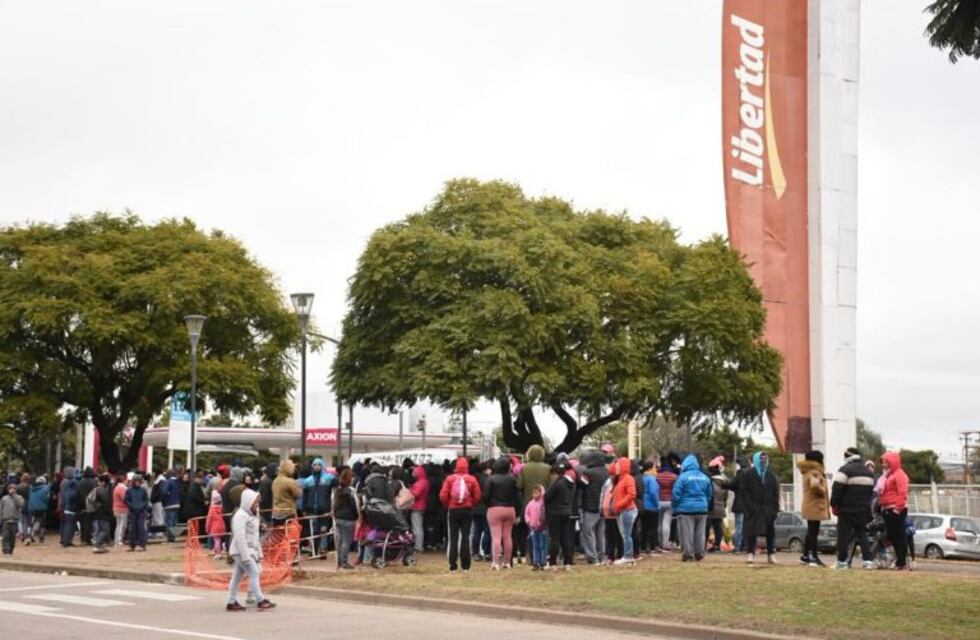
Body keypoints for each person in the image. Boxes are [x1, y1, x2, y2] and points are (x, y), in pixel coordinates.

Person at [226, 489, 275, 611]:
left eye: (257, 503)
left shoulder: (252, 515)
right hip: (241, 551)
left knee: (237, 576)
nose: (257, 505)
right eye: (255, 503)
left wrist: (259, 553)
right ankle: (260, 600)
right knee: (254, 572)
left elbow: (255, 536)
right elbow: (239, 537)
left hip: (248, 551)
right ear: (248, 502)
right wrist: (245, 556)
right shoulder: (240, 516)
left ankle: (231, 601)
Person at [830, 447, 875, 570]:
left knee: (843, 536)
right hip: (863, 510)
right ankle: (868, 561)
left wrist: (833, 504)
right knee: (862, 534)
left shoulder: (844, 470)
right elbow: (870, 493)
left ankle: (841, 562)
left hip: (847, 509)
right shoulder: (869, 472)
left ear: (847, 457)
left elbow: (837, 489)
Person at [734, 451, 780, 564]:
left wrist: (774, 509)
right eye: (761, 458)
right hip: (753, 508)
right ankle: (750, 553)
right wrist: (749, 506)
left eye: (765, 458)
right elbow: (744, 492)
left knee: (770, 532)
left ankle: (771, 554)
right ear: (756, 460)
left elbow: (775, 493)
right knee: (751, 532)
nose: (763, 460)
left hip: (768, 509)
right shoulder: (748, 474)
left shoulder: (771, 475)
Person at [439, 457, 482, 572]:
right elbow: (477, 496)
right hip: (467, 509)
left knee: (453, 537)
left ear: (456, 467)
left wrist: (448, 504)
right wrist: (471, 503)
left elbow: (443, 495)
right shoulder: (472, 479)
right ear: (467, 467)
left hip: (453, 510)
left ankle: (453, 565)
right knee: (465, 537)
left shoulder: (450, 479)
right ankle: (466, 566)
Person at [670, 454, 713, 562]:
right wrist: (704, 503)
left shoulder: (682, 477)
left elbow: (676, 494)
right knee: (700, 533)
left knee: (686, 534)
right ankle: (699, 554)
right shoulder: (705, 477)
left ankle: (687, 555)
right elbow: (709, 494)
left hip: (685, 510)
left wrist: (675, 506)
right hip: (702, 509)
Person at [485, 456, 523, 570]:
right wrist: (518, 512)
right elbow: (517, 497)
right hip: (509, 509)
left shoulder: (491, 479)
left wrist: (489, 505)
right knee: (508, 537)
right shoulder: (512, 479)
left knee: (496, 537)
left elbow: (486, 495)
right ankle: (507, 562)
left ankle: (495, 562)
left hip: (494, 509)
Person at [516, 445, 551, 564]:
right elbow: (550, 485)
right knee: (544, 531)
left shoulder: (524, 468)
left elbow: (519, 486)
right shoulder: (548, 468)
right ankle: (544, 557)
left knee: (532, 531)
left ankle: (533, 558)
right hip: (544, 504)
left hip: (529, 503)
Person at [878, 451, 910, 571]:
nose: (883, 464)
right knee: (892, 535)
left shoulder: (900, 474)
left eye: (885, 461)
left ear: (892, 462)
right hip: (887, 508)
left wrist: (897, 509)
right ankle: (899, 561)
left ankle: (901, 562)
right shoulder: (888, 475)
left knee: (899, 535)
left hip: (896, 509)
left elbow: (902, 493)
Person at [799, 450, 829, 567]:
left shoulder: (807, 471)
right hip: (814, 505)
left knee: (811, 531)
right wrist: (824, 490)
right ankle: (813, 556)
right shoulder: (815, 471)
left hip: (809, 504)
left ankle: (805, 556)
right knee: (813, 532)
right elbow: (815, 485)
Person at [544, 461, 576, 570]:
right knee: (566, 537)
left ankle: (552, 562)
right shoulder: (570, 483)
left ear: (555, 473)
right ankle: (568, 562)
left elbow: (547, 497)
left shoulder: (557, 483)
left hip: (554, 513)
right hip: (567, 512)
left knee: (555, 538)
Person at [301, 458, 335, 558]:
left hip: (324, 509)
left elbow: (337, 483)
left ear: (322, 466)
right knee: (313, 530)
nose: (317, 466)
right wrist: (304, 509)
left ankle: (323, 550)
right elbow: (305, 496)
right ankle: (314, 550)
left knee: (323, 530)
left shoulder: (328, 478)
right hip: (311, 509)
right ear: (312, 466)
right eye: (315, 465)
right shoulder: (308, 481)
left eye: (319, 465)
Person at [578, 451, 608, 564]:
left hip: (591, 507)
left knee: (588, 531)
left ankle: (592, 556)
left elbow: (582, 484)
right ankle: (601, 555)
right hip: (603, 507)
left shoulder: (588, 472)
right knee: (601, 532)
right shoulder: (606, 472)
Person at [332, 469, 359, 570]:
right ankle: (344, 562)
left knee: (340, 540)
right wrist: (356, 515)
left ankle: (339, 561)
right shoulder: (350, 491)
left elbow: (334, 504)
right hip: (348, 519)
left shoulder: (338, 490)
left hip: (338, 517)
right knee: (346, 541)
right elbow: (353, 505)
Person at [471, 460, 492, 562]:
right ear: (485, 470)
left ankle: (475, 552)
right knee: (487, 531)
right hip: (485, 508)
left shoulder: (473, 479)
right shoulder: (487, 480)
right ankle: (486, 552)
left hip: (475, 508)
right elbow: (487, 495)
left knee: (477, 531)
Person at [707, 457, 729, 552]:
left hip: (710, 507)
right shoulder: (725, 481)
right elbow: (726, 497)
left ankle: (703, 544)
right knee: (718, 528)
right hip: (720, 507)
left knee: (706, 527)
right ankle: (717, 545)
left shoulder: (709, 481)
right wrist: (724, 505)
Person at [524, 484, 548, 570]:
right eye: (533, 493)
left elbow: (544, 515)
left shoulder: (543, 504)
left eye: (536, 493)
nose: (534, 495)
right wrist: (528, 521)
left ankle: (543, 562)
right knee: (535, 545)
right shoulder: (530, 503)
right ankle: (535, 562)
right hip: (533, 527)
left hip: (542, 527)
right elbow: (526, 513)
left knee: (543, 545)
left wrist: (542, 523)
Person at [656, 457, 678, 551]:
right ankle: (665, 543)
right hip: (670, 502)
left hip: (659, 501)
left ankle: (659, 542)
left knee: (659, 522)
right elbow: (676, 490)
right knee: (667, 523)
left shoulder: (657, 476)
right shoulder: (674, 476)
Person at [271, 460, 301, 525]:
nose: (294, 470)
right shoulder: (290, 481)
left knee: (278, 534)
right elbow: (298, 494)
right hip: (288, 513)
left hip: (276, 513)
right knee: (291, 533)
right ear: (287, 468)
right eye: (292, 468)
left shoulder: (275, 481)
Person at [125, 474, 150, 552]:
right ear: (133, 482)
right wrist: (131, 506)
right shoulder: (129, 490)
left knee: (141, 528)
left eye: (139, 481)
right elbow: (126, 500)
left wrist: (142, 506)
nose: (137, 483)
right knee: (132, 528)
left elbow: (146, 500)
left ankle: (142, 544)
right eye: (136, 481)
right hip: (133, 511)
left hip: (141, 511)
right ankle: (132, 545)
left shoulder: (143, 490)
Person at [409, 464, 429, 553]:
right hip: (421, 506)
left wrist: (409, 491)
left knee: (417, 527)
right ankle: (418, 545)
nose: (413, 474)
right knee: (418, 527)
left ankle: (418, 546)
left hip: (417, 507)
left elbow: (416, 494)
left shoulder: (421, 483)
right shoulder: (424, 481)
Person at [92, 474, 114, 553]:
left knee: (101, 529)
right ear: (104, 482)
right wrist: (109, 512)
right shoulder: (102, 490)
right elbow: (106, 503)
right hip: (103, 513)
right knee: (105, 530)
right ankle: (97, 544)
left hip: (98, 512)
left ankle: (100, 545)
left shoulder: (96, 489)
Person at [1, 483, 25, 555]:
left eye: (14, 488)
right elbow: (1, 509)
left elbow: (21, 505)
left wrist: (14, 496)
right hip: (5, 521)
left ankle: (11, 549)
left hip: (14, 521)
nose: (12, 490)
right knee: (6, 537)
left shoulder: (19, 497)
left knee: (12, 538)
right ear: (8, 489)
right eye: (10, 488)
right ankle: (6, 550)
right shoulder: (4, 498)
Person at [58, 466, 79, 547]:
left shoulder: (65, 481)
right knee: (67, 523)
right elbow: (65, 494)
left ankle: (65, 539)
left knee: (66, 523)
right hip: (66, 505)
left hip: (64, 504)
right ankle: (65, 539)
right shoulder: (67, 482)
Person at [28, 475, 50, 544]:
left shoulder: (31, 487)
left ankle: (30, 534)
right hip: (42, 508)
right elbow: (48, 497)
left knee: (31, 522)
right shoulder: (46, 487)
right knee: (41, 522)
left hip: (32, 507)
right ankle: (40, 536)